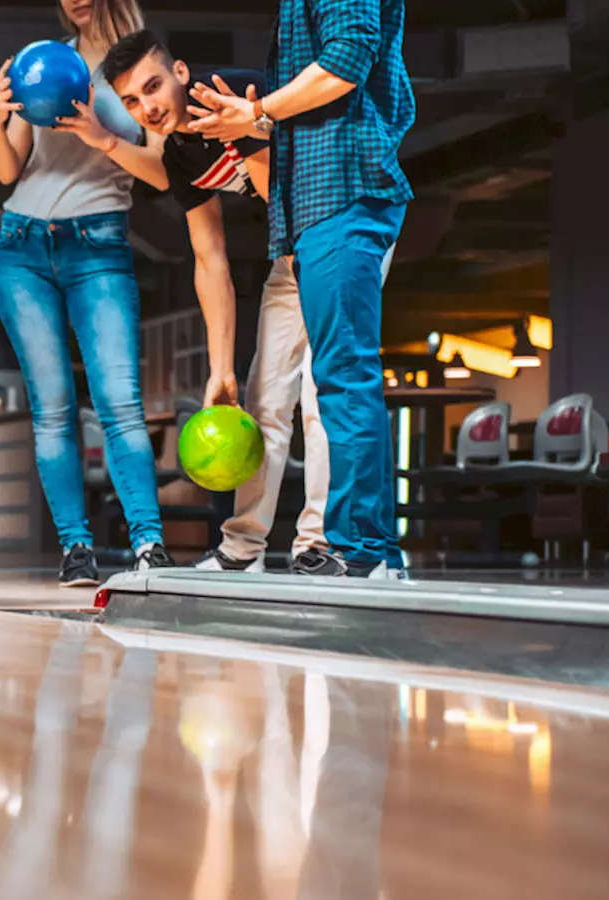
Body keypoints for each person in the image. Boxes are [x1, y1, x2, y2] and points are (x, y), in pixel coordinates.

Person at [101, 31, 403, 579]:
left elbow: (281, 195)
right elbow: (210, 259)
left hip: (343, 232)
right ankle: (244, 548)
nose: (148, 107)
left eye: (153, 87)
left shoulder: (236, 92)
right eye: (132, 102)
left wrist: (245, 133)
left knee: (320, 397)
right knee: (264, 397)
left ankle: (320, 543)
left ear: (181, 72)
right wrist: (220, 371)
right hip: (291, 254)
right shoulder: (180, 150)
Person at [185, 0, 414, 578]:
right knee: (337, 378)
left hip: (346, 191)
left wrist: (257, 111)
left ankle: (362, 551)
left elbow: (346, 60)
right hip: (318, 208)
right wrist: (260, 120)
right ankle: (367, 549)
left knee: (342, 376)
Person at [0, 0, 175, 588]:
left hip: (99, 245)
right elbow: (6, 170)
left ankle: (148, 543)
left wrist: (101, 135)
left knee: (120, 402)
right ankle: (76, 549)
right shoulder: (45, 63)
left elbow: (160, 173)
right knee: (53, 409)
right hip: (21, 247)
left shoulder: (141, 68)